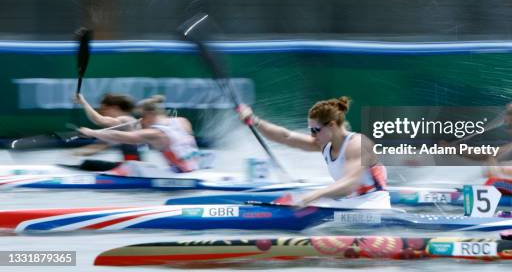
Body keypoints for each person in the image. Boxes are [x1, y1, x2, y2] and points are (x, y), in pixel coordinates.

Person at [237, 96, 390, 209]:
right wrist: (255, 120)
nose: (312, 135)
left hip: (373, 208)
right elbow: (286, 137)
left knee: (310, 208)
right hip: (349, 205)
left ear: (331, 125)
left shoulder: (358, 143)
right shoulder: (325, 144)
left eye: (315, 130)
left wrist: (311, 197)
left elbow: (349, 184)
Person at [78, 95, 200, 176]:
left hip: (182, 177)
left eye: (142, 117)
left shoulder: (155, 133)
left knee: (130, 167)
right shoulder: (182, 121)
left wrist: (93, 133)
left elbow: (120, 136)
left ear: (150, 114)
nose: (141, 121)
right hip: (195, 171)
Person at [72, 93, 142, 171]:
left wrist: (83, 102)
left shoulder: (126, 120)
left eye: (105, 109)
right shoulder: (126, 125)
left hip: (133, 169)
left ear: (115, 107)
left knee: (88, 164)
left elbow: (99, 120)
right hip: (133, 166)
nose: (102, 112)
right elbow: (100, 146)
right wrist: (76, 152)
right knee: (88, 164)